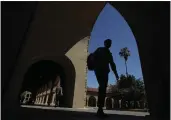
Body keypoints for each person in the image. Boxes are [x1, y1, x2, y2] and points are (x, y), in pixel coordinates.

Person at [93, 39, 119, 117]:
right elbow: (92, 57)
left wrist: (116, 74)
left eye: (110, 43)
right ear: (105, 43)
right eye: (108, 43)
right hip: (101, 71)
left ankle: (100, 109)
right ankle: (100, 109)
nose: (109, 44)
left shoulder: (107, 53)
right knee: (102, 88)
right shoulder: (100, 50)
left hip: (102, 71)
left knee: (102, 88)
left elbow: (112, 64)